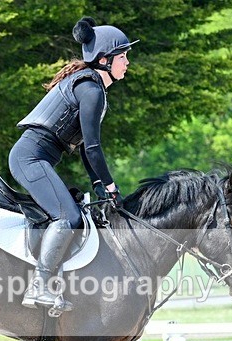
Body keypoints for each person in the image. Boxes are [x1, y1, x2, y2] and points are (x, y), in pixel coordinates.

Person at [9, 17, 137, 311]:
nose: (127, 62)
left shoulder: (90, 87)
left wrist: (98, 185)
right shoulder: (90, 90)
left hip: (34, 157)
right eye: (123, 56)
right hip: (30, 158)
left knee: (75, 214)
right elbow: (93, 148)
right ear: (104, 60)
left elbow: (82, 148)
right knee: (68, 218)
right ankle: (39, 286)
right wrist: (111, 185)